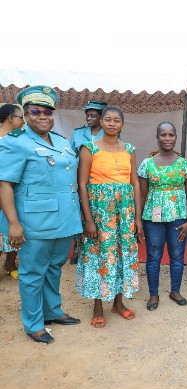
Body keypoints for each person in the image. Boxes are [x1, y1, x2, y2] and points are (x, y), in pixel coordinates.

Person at [0, 86, 82, 344]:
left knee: (55, 267)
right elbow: (4, 185)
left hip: (65, 218)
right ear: (25, 114)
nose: (43, 116)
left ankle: (52, 311)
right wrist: (13, 223)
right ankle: (34, 323)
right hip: (34, 220)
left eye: (48, 111)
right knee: (33, 272)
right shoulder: (15, 142)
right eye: (36, 111)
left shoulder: (60, 140)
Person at [76, 106, 143, 328]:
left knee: (122, 254)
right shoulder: (89, 148)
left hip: (124, 212)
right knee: (99, 256)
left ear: (122, 124)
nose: (112, 123)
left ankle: (118, 303)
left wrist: (137, 218)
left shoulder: (130, 149)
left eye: (117, 120)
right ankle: (97, 306)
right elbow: (82, 185)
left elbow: (134, 183)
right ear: (101, 122)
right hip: (100, 211)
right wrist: (89, 219)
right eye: (108, 119)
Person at [138, 122, 187, 311]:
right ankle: (153, 294)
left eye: (171, 135)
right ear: (157, 137)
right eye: (163, 135)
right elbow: (142, 194)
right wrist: (138, 219)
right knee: (154, 255)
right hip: (153, 218)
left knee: (177, 255)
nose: (167, 138)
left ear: (176, 137)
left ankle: (175, 291)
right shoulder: (147, 164)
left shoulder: (184, 164)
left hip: (178, 216)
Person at [68, 100, 107, 265]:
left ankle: (98, 246)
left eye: (93, 115)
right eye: (88, 115)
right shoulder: (78, 133)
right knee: (79, 213)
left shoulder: (109, 132)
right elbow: (70, 155)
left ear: (101, 117)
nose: (89, 118)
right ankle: (77, 249)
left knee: (97, 214)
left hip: (99, 180)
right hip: (78, 180)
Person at [0, 104, 25, 279]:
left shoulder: (20, 139)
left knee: (12, 224)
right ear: (10, 118)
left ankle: (10, 263)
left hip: (13, 188)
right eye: (20, 118)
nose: (23, 122)